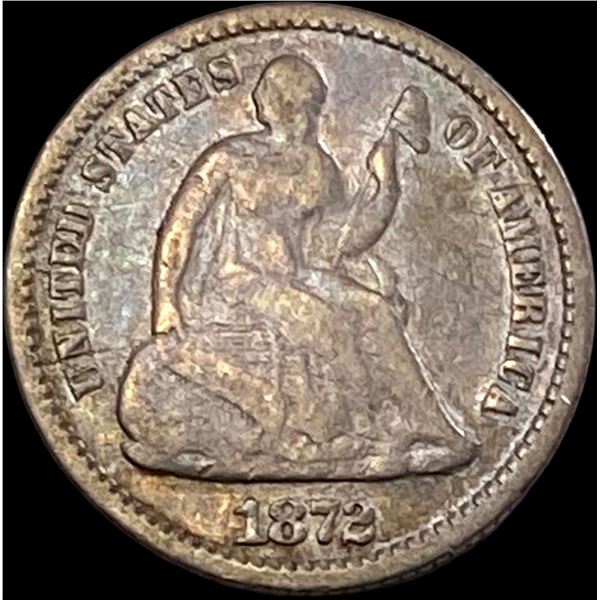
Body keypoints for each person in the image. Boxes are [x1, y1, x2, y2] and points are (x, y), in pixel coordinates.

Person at [118, 55, 476, 480]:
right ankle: (341, 435)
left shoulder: (318, 167)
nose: (301, 116)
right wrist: (166, 303)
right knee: (321, 322)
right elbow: (180, 228)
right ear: (274, 103)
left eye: (308, 106)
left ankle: (432, 430)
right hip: (236, 285)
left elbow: (336, 244)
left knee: (374, 309)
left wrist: (386, 186)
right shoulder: (229, 158)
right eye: (294, 103)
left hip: (298, 278)